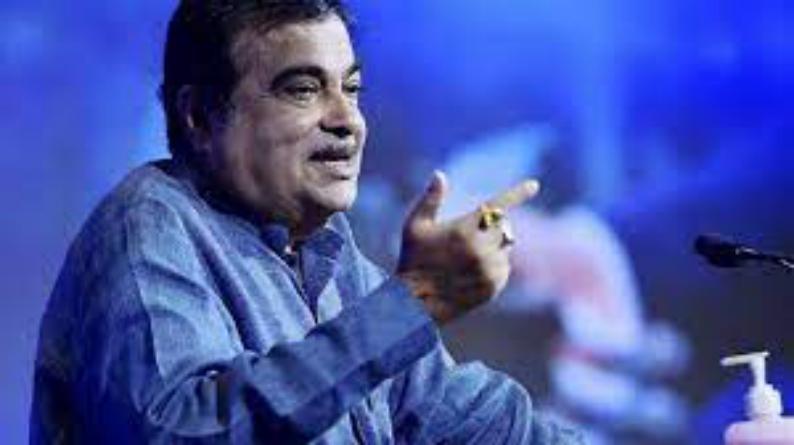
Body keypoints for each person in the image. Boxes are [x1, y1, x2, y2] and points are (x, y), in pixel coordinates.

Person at [31, 1, 583, 443]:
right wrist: (417, 297)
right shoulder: (149, 226)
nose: (348, 121)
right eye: (303, 89)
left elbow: (467, 420)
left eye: (351, 88)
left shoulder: (331, 254)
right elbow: (185, 432)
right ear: (199, 115)